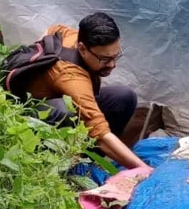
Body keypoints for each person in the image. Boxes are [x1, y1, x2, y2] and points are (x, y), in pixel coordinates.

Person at [27, 12, 148, 169]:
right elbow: (100, 133)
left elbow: (53, 29)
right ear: (82, 49)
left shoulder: (72, 36)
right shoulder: (70, 76)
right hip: (32, 117)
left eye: (115, 56)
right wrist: (143, 169)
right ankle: (57, 167)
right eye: (104, 59)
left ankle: (88, 162)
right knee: (65, 110)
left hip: (63, 95)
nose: (112, 65)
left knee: (124, 96)